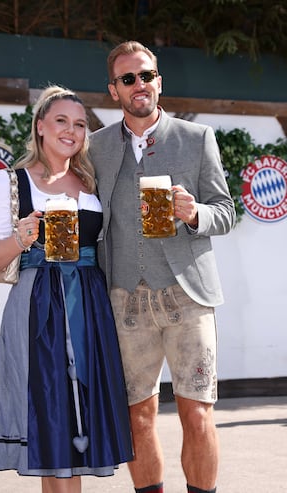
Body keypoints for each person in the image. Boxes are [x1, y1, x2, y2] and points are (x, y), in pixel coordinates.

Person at [88, 41, 236, 493]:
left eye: (147, 75)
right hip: (124, 298)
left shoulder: (197, 139)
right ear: (114, 90)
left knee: (197, 411)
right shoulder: (96, 147)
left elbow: (225, 212)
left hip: (186, 295)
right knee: (138, 414)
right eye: (128, 78)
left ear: (159, 81)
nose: (140, 85)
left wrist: (195, 215)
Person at [0, 85, 133, 493]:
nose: (71, 130)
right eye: (61, 120)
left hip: (91, 306)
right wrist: (21, 238)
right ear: (40, 126)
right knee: (52, 422)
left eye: (79, 124)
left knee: (79, 427)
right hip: (40, 307)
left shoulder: (92, 181)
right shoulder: (9, 182)